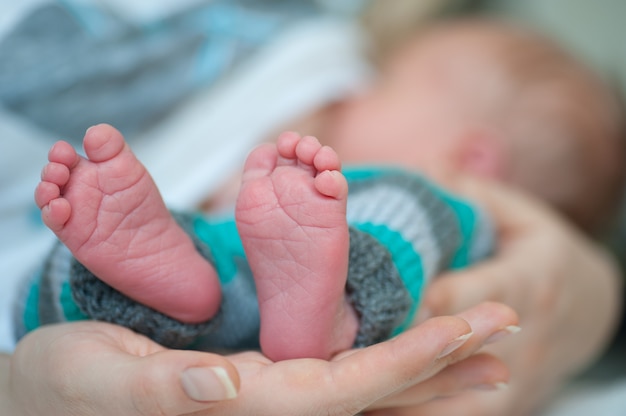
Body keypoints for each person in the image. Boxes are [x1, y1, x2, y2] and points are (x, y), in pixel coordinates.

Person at [18, 17, 625, 363]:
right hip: (209, 292)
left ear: (471, 156)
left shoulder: (456, 206)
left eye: (382, 84)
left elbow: (413, 216)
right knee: (72, 276)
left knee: (414, 212)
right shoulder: (300, 199)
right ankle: (151, 279)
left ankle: (340, 305)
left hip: (312, 302)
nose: (354, 90)